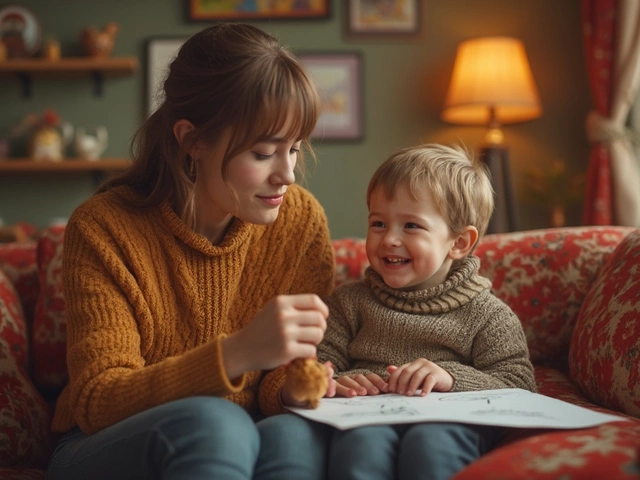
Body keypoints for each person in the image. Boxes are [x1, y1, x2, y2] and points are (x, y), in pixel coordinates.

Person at [46, 23, 337, 480]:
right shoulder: (104, 228)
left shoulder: (299, 222)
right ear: (192, 139)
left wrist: (297, 389)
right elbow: (97, 400)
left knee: (294, 434)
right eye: (263, 154)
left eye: (294, 149)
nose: (288, 175)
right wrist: (236, 353)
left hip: (243, 429)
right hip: (101, 442)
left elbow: (284, 375)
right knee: (216, 422)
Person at [318, 143, 537, 480]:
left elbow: (519, 384)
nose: (389, 239)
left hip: (446, 424)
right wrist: (341, 381)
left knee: (431, 444)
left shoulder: (489, 315)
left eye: (411, 226)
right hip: (366, 419)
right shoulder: (349, 302)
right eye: (378, 223)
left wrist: (449, 378)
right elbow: (317, 365)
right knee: (361, 444)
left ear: (459, 242)